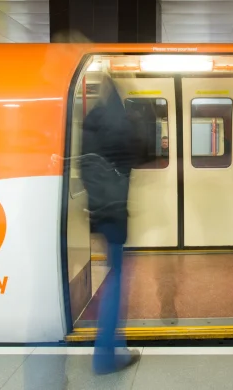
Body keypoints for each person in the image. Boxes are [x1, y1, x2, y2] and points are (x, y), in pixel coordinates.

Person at [79, 75, 141, 375]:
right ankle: (106, 356)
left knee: (112, 275)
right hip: (116, 212)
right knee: (116, 279)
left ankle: (115, 347)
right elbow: (137, 155)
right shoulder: (121, 122)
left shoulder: (91, 120)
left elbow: (83, 164)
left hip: (99, 211)